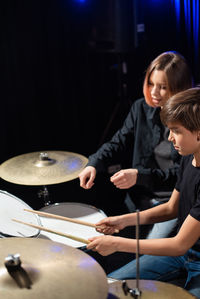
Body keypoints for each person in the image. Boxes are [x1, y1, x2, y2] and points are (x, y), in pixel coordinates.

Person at [87, 87, 200, 298]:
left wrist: (117, 244)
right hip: (182, 254)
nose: (170, 137)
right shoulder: (189, 157)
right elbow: (171, 208)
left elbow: (178, 244)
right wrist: (123, 221)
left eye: (176, 130)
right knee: (107, 287)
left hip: (189, 254)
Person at [79, 51, 193, 238]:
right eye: (151, 84)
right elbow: (119, 141)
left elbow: (182, 175)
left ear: (179, 88)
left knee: (148, 254)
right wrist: (93, 163)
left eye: (163, 87)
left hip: (172, 203)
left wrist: (140, 176)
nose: (154, 92)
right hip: (140, 198)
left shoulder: (191, 121)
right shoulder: (141, 107)